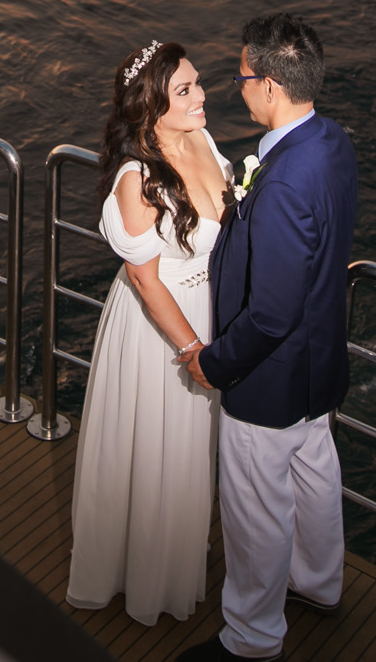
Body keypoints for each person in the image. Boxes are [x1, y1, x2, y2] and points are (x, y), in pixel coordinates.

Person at [181, 13, 358, 662]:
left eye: (244, 76)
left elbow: (270, 313)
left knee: (256, 508)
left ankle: (251, 638)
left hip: (271, 376)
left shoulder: (282, 181)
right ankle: (319, 580)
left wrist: (216, 362)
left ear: (272, 87)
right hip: (319, 365)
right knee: (315, 471)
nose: (240, 87)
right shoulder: (332, 142)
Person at [66, 40, 232, 625]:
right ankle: (135, 577)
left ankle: (170, 559)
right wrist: (192, 350)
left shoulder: (205, 142)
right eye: (185, 90)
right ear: (152, 107)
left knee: (186, 452)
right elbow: (145, 279)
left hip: (209, 313)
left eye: (198, 83)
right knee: (150, 445)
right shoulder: (136, 181)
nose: (202, 95)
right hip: (160, 331)